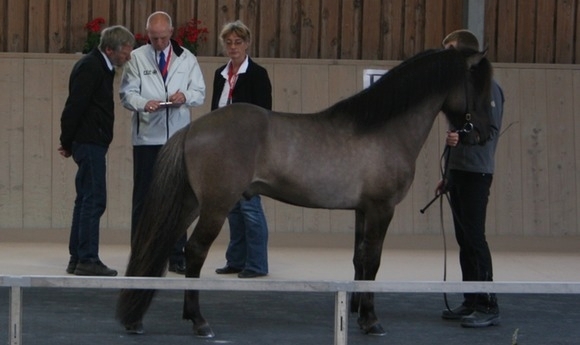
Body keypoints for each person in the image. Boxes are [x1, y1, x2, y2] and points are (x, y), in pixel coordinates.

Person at [120, 11, 206, 274]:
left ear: (171, 33)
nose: (158, 43)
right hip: (147, 138)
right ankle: (141, 253)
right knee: (145, 198)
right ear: (148, 35)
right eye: (153, 38)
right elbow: (126, 94)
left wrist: (185, 96)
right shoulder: (136, 58)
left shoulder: (187, 58)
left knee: (177, 198)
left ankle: (176, 253)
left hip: (178, 138)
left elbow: (200, 93)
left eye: (162, 38)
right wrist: (143, 104)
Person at [437, 29, 504, 328]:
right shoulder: (465, 89)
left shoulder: (490, 90)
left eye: (450, 49)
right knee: (464, 239)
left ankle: (488, 304)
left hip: (477, 172)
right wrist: (449, 174)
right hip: (461, 172)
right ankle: (471, 299)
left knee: (475, 238)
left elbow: (487, 133)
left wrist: (459, 140)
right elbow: (461, 131)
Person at [59, 25, 135, 276]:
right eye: (126, 51)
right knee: (94, 200)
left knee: (84, 200)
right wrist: (67, 141)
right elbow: (74, 106)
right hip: (89, 143)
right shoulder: (92, 67)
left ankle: (77, 257)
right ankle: (87, 259)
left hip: (90, 142)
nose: (129, 56)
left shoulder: (100, 67)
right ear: (110, 49)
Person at [213, 20, 272, 279]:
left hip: (248, 152)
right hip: (225, 150)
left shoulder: (258, 74)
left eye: (238, 42)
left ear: (246, 44)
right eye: (228, 43)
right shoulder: (220, 74)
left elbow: (265, 117)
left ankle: (257, 264)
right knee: (233, 208)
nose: (233, 47)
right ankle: (236, 260)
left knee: (250, 206)